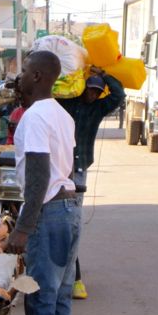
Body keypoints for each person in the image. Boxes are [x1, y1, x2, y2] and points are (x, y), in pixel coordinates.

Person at [5, 50, 81, 315]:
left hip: (48, 210)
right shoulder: (62, 114)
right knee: (60, 295)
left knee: (39, 296)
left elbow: (38, 175)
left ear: (37, 76)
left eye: (24, 71)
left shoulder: (35, 117)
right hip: (68, 207)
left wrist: (23, 227)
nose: (19, 77)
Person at [58, 68, 125, 300]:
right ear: (83, 88)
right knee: (60, 220)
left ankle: (74, 278)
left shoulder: (98, 108)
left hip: (79, 169)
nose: (93, 95)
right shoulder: (68, 103)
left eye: (97, 91)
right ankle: (65, 275)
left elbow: (119, 95)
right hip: (59, 167)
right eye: (90, 90)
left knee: (73, 222)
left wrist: (104, 75)